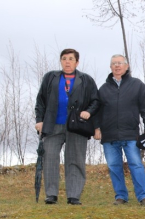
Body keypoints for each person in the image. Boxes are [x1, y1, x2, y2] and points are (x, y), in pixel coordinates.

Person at [35, 48, 99, 205]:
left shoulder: (86, 80)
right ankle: (51, 194)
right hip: (52, 125)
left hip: (77, 126)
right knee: (50, 158)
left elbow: (96, 101)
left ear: (77, 62)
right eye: (64, 58)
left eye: (71, 59)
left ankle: (74, 195)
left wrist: (88, 112)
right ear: (61, 61)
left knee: (75, 159)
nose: (67, 61)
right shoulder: (50, 77)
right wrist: (39, 120)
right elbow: (41, 100)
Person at [94, 54, 145, 206]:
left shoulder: (137, 85)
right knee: (114, 166)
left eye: (120, 63)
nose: (117, 66)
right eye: (114, 63)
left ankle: (143, 196)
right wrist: (96, 128)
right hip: (109, 136)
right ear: (110, 67)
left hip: (130, 134)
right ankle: (120, 196)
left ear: (126, 66)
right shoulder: (103, 89)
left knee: (136, 165)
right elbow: (97, 111)